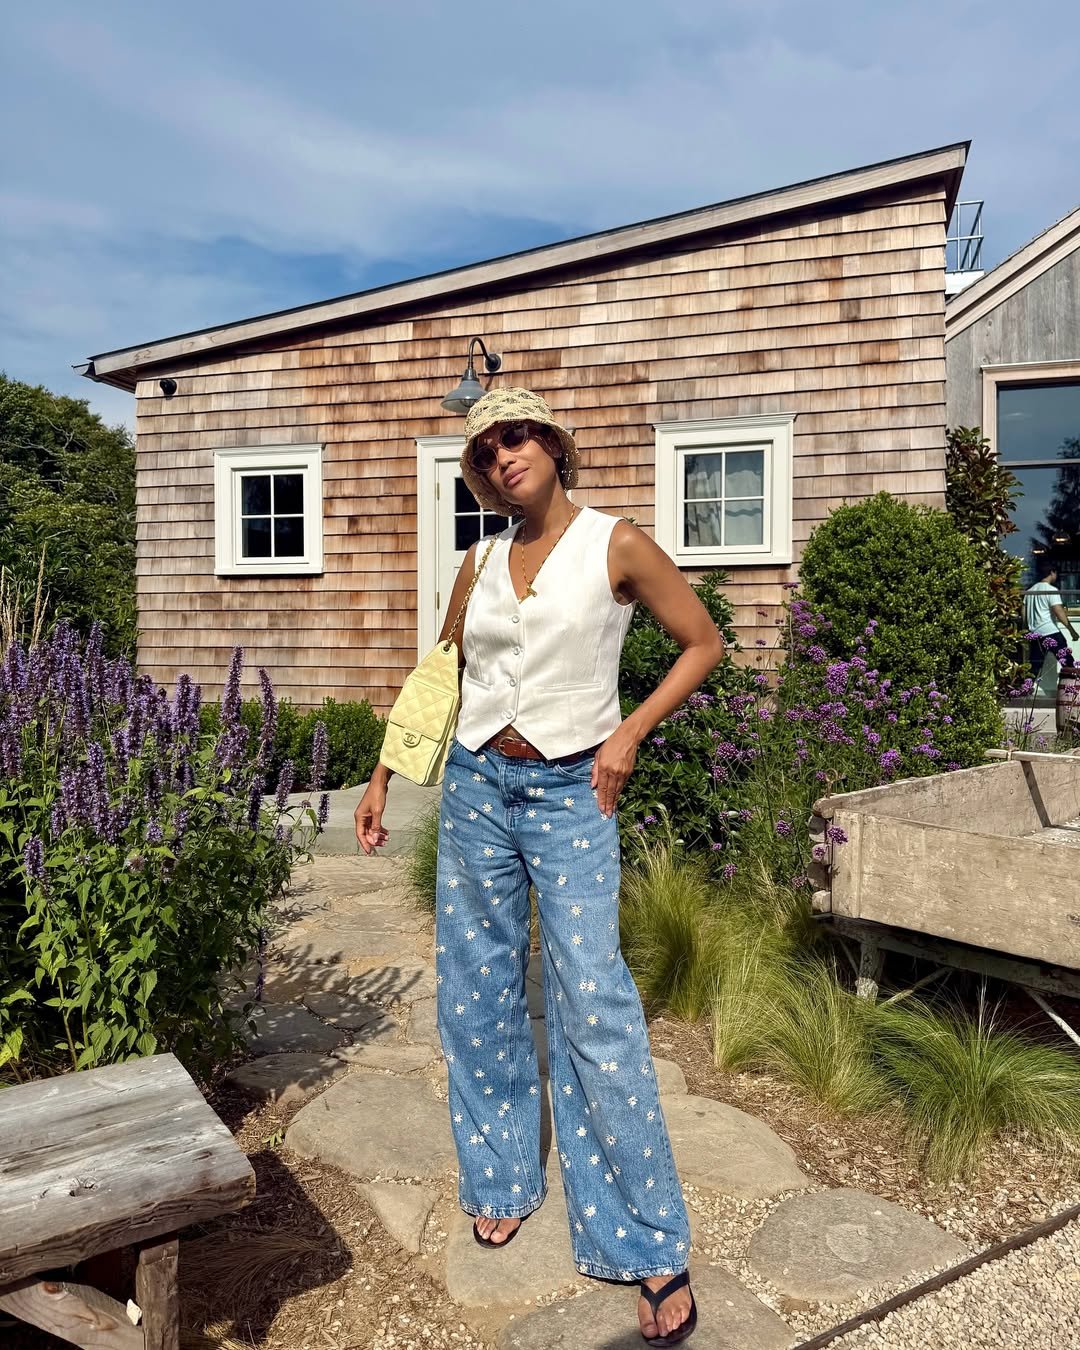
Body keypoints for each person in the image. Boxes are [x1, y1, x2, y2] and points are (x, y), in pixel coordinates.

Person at [355, 388, 724, 1346]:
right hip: (479, 784)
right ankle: (502, 1177)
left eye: (517, 436)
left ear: (553, 445)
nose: (503, 454)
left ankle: (645, 1237)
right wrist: (383, 777)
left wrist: (632, 731)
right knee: (476, 993)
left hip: (572, 791)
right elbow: (443, 673)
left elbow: (703, 643)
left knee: (592, 1000)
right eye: (486, 448)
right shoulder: (476, 560)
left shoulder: (619, 543)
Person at [1024, 563, 1078, 681]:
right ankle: (1072, 689)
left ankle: (1024, 691)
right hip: (1050, 631)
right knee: (1068, 663)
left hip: (1034, 633)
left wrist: (1026, 630)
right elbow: (1059, 611)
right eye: (1056, 573)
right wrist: (1072, 631)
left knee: (1034, 666)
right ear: (1052, 572)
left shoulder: (1030, 591)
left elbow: (1024, 613)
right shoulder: (1051, 590)